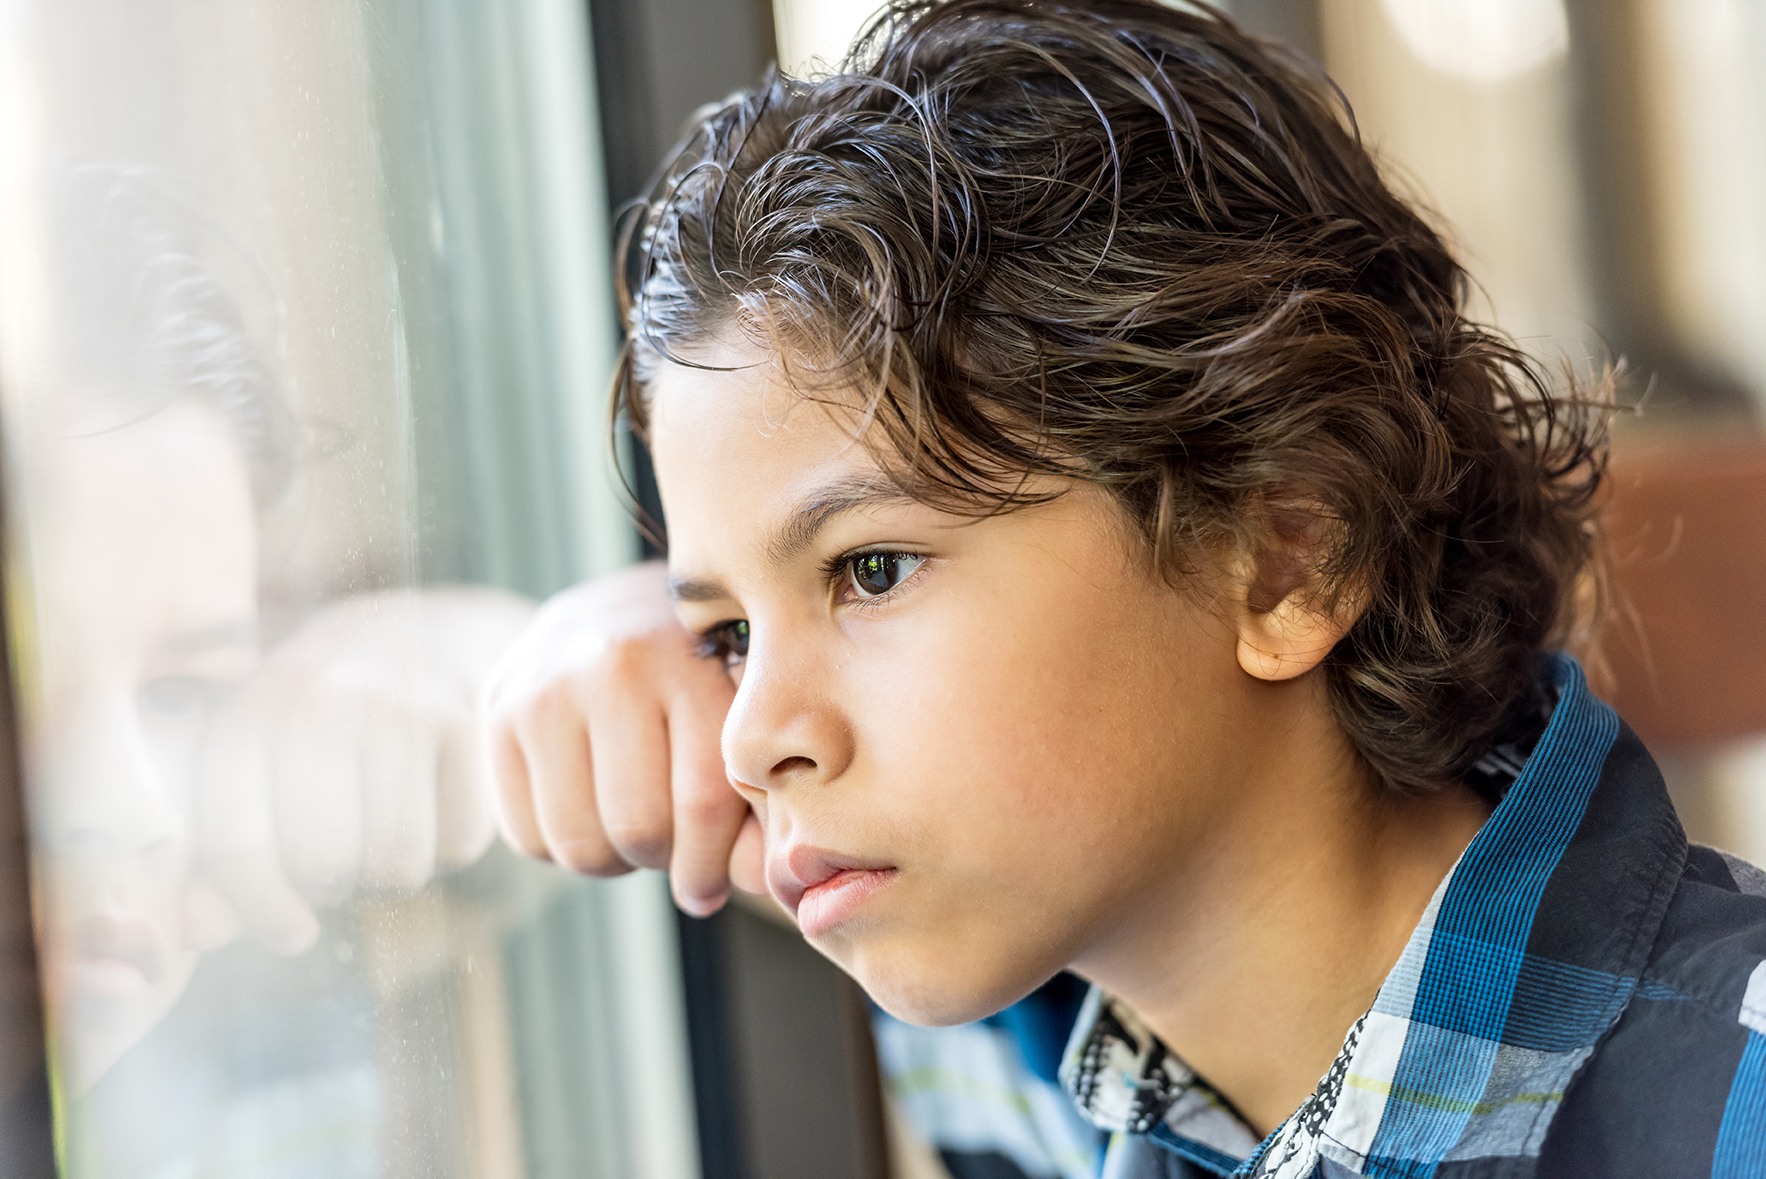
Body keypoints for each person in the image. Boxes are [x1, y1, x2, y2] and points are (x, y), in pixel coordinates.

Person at [484, 3, 1766, 1176]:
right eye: (726, 635)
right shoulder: (1026, 1034)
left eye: (869, 569)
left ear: (1282, 562)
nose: (752, 737)